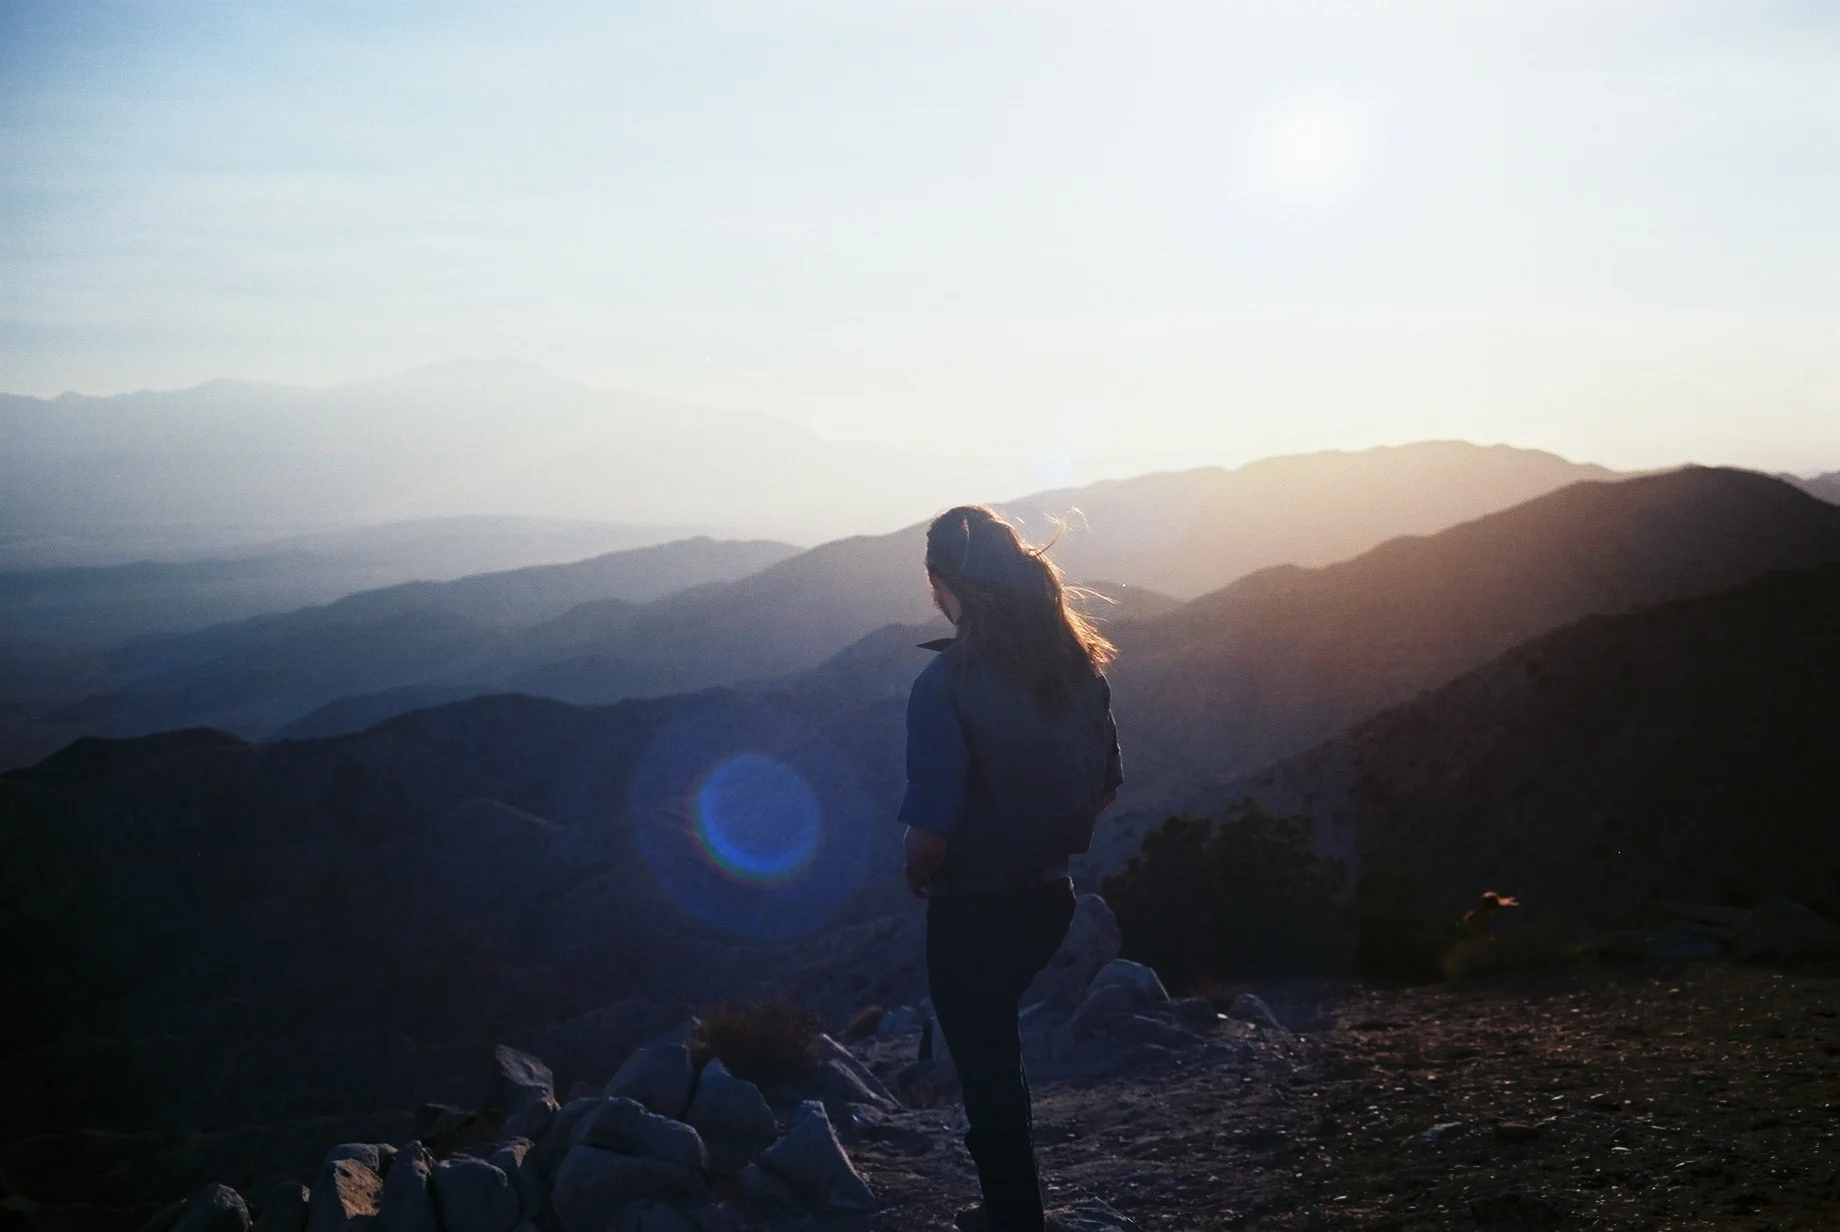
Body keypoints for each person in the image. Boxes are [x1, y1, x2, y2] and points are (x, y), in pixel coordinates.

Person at [899, 505, 1123, 1232]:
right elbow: (1107, 783)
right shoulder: (1077, 667)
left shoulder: (944, 686)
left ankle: (1014, 1217)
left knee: (987, 1064)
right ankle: (1013, 1208)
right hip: (1049, 896)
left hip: (974, 906)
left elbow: (930, 829)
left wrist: (917, 869)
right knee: (998, 1051)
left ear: (941, 582)